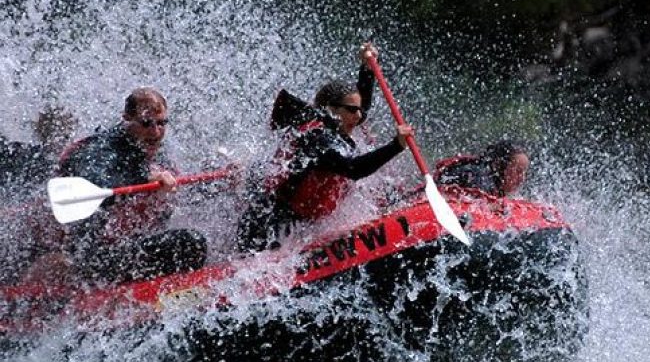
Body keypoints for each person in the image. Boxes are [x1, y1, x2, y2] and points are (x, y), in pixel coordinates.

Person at [237, 44, 414, 252]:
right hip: (268, 225)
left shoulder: (341, 123)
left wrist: (366, 69)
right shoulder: (317, 139)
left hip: (304, 221)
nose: (358, 117)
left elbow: (362, 106)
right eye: (351, 110)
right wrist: (396, 146)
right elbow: (353, 169)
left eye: (358, 110)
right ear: (331, 111)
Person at [57, 87, 207, 282]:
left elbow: (181, 194)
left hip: (129, 248)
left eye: (162, 123)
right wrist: (144, 176)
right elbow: (95, 181)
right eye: (146, 123)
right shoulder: (100, 149)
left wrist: (220, 185)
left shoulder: (153, 150)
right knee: (190, 243)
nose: (155, 132)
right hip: (92, 260)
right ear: (126, 119)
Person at [0, 106, 77, 200]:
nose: (60, 143)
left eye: (66, 137)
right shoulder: (22, 155)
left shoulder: (75, 162)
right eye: (54, 135)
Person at [435, 140, 530, 197]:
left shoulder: (492, 185)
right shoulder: (478, 180)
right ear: (498, 166)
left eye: (525, 173)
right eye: (518, 171)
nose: (522, 178)